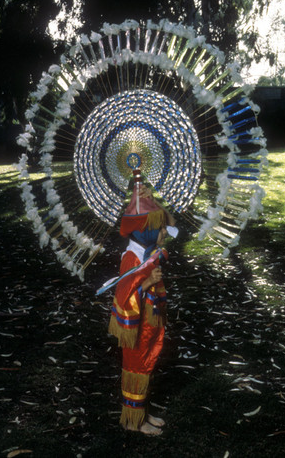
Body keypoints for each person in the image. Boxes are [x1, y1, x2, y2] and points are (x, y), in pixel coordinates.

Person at [108, 175, 177, 435]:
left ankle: (141, 414)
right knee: (137, 367)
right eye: (158, 229)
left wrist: (149, 198)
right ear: (146, 231)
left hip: (149, 322)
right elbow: (123, 295)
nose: (164, 233)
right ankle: (132, 421)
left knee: (146, 366)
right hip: (137, 327)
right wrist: (147, 282)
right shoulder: (132, 257)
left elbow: (171, 225)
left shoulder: (145, 249)